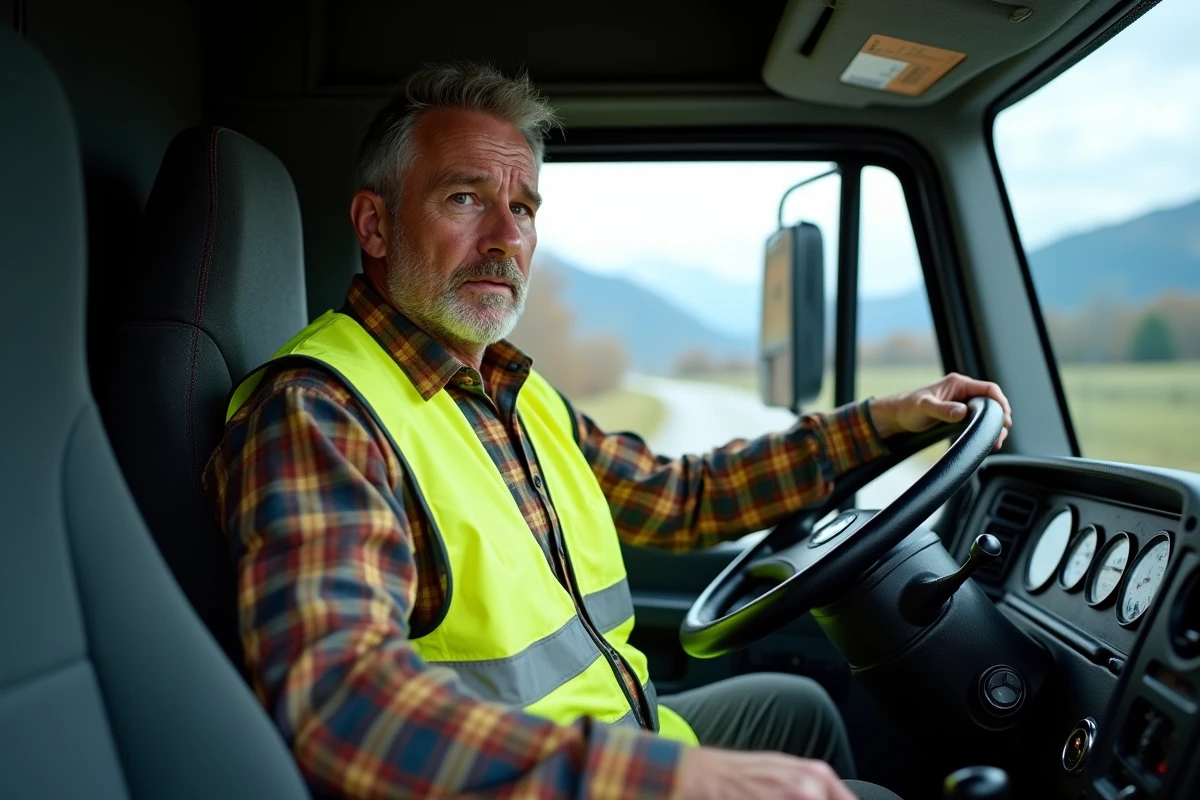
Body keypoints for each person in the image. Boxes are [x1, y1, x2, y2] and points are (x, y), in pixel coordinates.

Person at [205, 62, 1012, 800]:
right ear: (375, 227)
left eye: (522, 207)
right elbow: (338, 704)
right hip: (531, 782)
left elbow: (681, 498)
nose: (504, 237)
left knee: (796, 710)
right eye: (464, 197)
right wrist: (669, 780)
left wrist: (878, 425)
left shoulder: (510, 390)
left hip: (613, 738)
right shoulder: (320, 413)